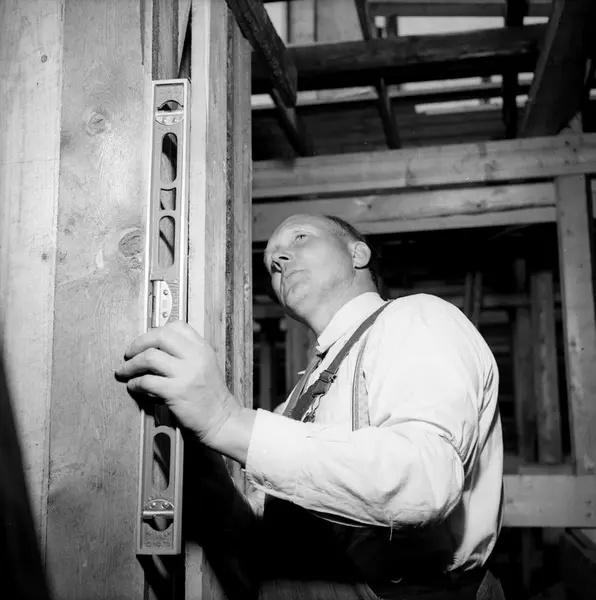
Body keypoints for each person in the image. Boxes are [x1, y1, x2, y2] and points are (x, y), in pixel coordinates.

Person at [115, 214, 506, 599]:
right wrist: (199, 450)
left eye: (300, 238)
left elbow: (425, 482)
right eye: (270, 262)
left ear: (358, 254)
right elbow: (263, 528)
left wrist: (225, 421)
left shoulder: (416, 318)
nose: (278, 260)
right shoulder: (301, 394)